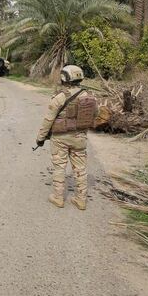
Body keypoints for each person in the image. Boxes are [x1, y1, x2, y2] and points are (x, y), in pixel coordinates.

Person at [35, 65, 97, 210]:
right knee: (80, 169)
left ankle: (58, 198)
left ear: (64, 78)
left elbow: (48, 120)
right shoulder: (89, 96)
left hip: (60, 138)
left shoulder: (59, 98)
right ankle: (81, 200)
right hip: (80, 138)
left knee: (59, 167)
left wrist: (40, 138)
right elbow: (95, 114)